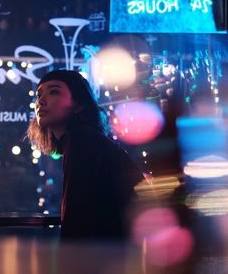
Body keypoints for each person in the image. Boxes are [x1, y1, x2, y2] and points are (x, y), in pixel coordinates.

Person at [26, 70, 144, 241]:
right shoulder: (83, 139)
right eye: (39, 95)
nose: (41, 101)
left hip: (119, 256)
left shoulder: (82, 140)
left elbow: (77, 218)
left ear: (79, 104)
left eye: (54, 92)